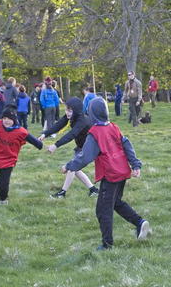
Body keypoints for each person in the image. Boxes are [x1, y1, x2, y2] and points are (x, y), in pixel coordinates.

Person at [63, 96, 149, 250]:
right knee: (115, 203)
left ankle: (107, 244)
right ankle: (140, 223)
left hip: (111, 175)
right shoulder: (113, 127)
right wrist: (135, 164)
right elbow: (127, 144)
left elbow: (85, 157)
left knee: (103, 210)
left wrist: (69, 166)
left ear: (91, 113)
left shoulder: (95, 133)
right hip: (122, 171)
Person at [0, 106, 43, 204]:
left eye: (9, 119)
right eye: (4, 118)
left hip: (8, 160)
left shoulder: (21, 131)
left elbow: (34, 141)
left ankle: (3, 200)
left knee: (2, 184)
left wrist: (39, 144)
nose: (6, 121)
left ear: (14, 119)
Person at [40, 97, 98, 199]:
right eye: (66, 109)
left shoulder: (82, 120)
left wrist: (55, 145)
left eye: (70, 110)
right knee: (75, 168)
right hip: (81, 146)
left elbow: (72, 134)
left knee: (72, 167)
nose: (67, 112)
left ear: (76, 110)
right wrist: (45, 134)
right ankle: (93, 190)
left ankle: (62, 193)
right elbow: (59, 125)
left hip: (90, 148)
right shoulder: (72, 116)